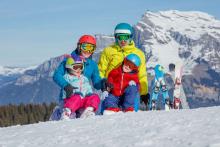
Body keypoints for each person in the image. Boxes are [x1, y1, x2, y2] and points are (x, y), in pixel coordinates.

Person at [50, 35, 103, 120]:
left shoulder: (92, 64)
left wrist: (103, 83)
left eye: (91, 48)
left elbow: (96, 83)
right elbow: (56, 75)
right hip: (70, 97)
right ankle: (59, 112)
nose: (88, 51)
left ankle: (88, 112)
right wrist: (66, 85)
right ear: (79, 46)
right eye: (85, 47)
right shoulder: (69, 61)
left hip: (84, 98)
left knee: (95, 97)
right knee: (74, 104)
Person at [98, 23, 149, 109]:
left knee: (129, 115)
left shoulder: (139, 54)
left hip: (130, 91)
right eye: (120, 37)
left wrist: (144, 93)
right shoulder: (108, 51)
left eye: (126, 37)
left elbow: (142, 75)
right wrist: (103, 83)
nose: (123, 40)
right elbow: (101, 70)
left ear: (131, 37)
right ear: (116, 37)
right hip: (112, 90)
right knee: (108, 114)